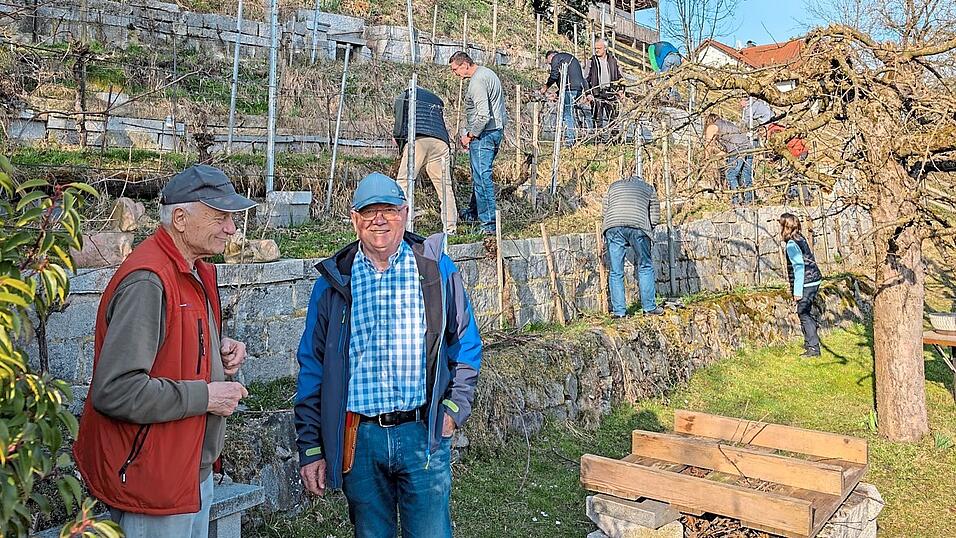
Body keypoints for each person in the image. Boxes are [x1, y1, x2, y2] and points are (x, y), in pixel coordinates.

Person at [295, 172, 483, 537]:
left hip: (422, 433)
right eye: (369, 211)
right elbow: (312, 367)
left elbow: (465, 342)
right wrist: (310, 446)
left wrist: (455, 408)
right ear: (354, 219)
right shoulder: (334, 283)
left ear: (405, 213)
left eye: (389, 210)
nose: (379, 219)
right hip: (360, 439)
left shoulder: (435, 269)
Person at [73, 164, 254, 537]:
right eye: (221, 217)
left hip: (187, 473)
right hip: (153, 481)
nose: (232, 228)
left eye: (232, 218)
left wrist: (220, 352)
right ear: (181, 218)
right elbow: (117, 390)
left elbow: (176, 343)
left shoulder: (196, 270)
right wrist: (206, 396)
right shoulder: (149, 280)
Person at [449, 51, 507, 235]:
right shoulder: (487, 73)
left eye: (455, 69)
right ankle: (473, 213)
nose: (455, 73)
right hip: (495, 131)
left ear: (465, 64)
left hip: (484, 135)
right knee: (479, 175)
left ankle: (488, 225)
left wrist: (470, 135)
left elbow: (483, 115)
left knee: (483, 179)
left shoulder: (477, 82)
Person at [393, 86, 458, 234]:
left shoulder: (404, 96)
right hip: (440, 141)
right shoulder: (436, 100)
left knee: (404, 182)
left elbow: (399, 124)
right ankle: (450, 228)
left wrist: (399, 139)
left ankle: (400, 226)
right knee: (444, 186)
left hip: (418, 139)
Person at [602, 174, 664, 317]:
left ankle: (619, 312)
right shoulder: (648, 188)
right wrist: (648, 230)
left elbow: (605, 209)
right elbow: (655, 215)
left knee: (616, 271)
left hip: (613, 226)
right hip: (638, 227)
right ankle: (649, 308)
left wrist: (610, 225)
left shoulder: (613, 186)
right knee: (645, 266)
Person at [779, 213, 823, 357]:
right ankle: (812, 333)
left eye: (780, 225)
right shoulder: (800, 237)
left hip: (806, 282)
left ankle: (813, 348)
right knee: (806, 312)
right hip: (814, 278)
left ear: (785, 226)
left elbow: (799, 267)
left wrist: (797, 292)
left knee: (803, 313)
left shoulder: (791, 244)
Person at [704, 113, 754, 206]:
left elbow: (708, 145)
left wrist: (706, 158)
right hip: (749, 148)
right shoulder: (728, 125)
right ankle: (749, 201)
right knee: (746, 175)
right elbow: (726, 151)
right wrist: (716, 156)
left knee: (731, 174)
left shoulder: (712, 126)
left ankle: (736, 200)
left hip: (737, 149)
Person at [540, 50, 587, 146]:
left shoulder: (556, 58)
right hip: (578, 89)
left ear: (550, 57)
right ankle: (571, 136)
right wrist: (557, 93)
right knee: (570, 112)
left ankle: (570, 140)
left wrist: (546, 86)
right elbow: (568, 80)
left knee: (567, 114)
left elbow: (554, 76)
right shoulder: (568, 59)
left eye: (549, 62)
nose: (550, 64)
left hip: (570, 89)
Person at [585, 38, 624, 131]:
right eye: (595, 48)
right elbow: (585, 79)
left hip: (611, 93)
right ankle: (599, 142)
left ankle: (615, 141)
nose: (597, 50)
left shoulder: (613, 61)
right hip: (597, 94)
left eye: (599, 48)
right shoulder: (591, 61)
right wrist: (588, 93)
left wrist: (621, 90)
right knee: (597, 119)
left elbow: (620, 77)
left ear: (605, 48)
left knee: (613, 119)